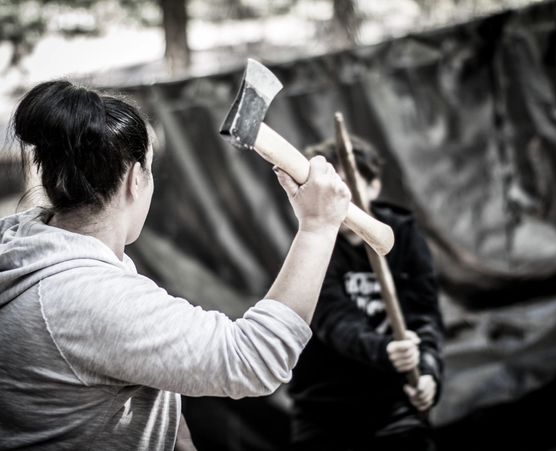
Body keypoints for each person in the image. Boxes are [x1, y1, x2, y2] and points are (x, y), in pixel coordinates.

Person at [0, 80, 350, 450]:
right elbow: (254, 359)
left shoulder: (28, 246)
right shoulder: (86, 297)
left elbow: (131, 380)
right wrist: (317, 227)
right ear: (136, 180)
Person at [287, 136, 444, 451]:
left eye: (347, 185)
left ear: (373, 186)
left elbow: (424, 315)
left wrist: (427, 371)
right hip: (324, 405)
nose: (336, 197)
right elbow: (332, 319)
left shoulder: (403, 235)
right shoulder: (314, 243)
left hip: (394, 403)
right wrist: (386, 350)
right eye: (328, 187)